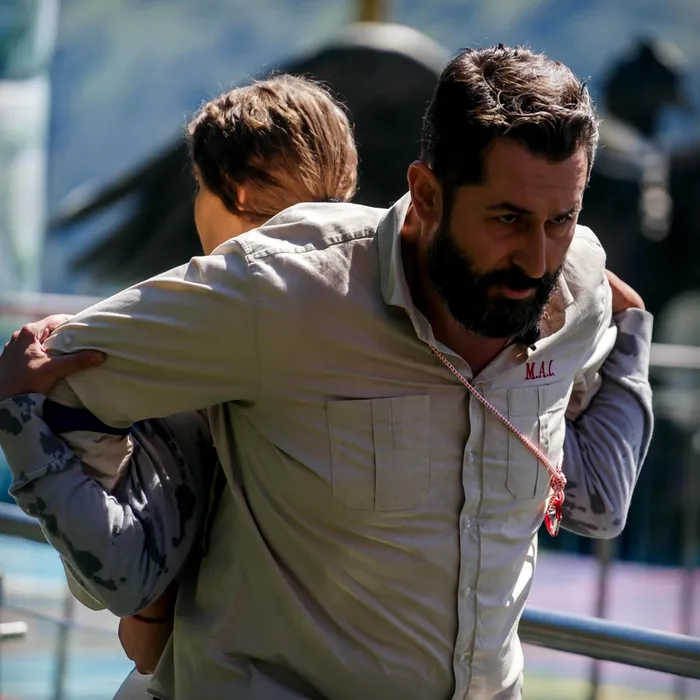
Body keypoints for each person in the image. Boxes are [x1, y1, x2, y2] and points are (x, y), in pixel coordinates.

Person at [0, 45, 653, 700]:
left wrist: (629, 337)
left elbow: (595, 499)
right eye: (507, 219)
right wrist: (148, 591)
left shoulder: (580, 288)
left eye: (561, 219)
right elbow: (60, 382)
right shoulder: (282, 288)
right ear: (426, 194)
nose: (537, 260)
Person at [0, 72, 359, 693]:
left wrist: (15, 409)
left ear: (235, 190)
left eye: (200, 185)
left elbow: (117, 584)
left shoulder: (202, 324)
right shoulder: (387, 308)